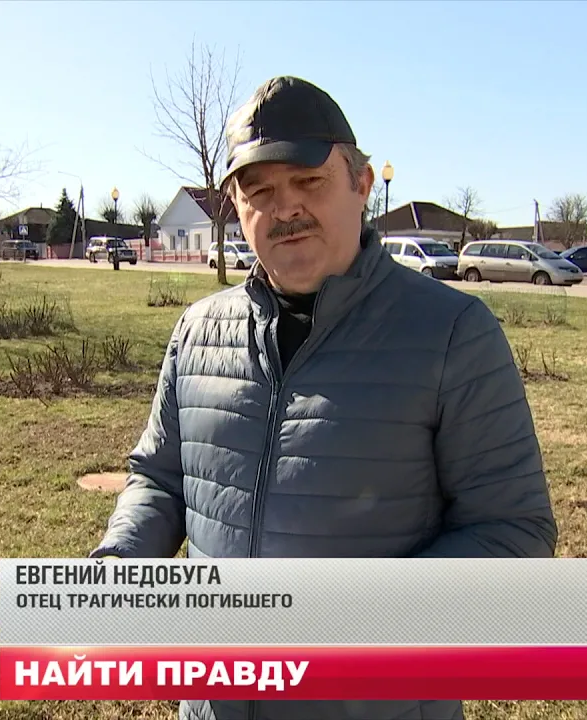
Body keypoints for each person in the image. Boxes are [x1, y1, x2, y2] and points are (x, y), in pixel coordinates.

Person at [91, 76, 558, 720]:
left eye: (309, 181)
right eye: (259, 191)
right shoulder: (198, 331)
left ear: (362, 185)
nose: (286, 209)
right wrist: (120, 566)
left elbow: (513, 531)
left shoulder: (453, 333)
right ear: (236, 205)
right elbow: (161, 479)